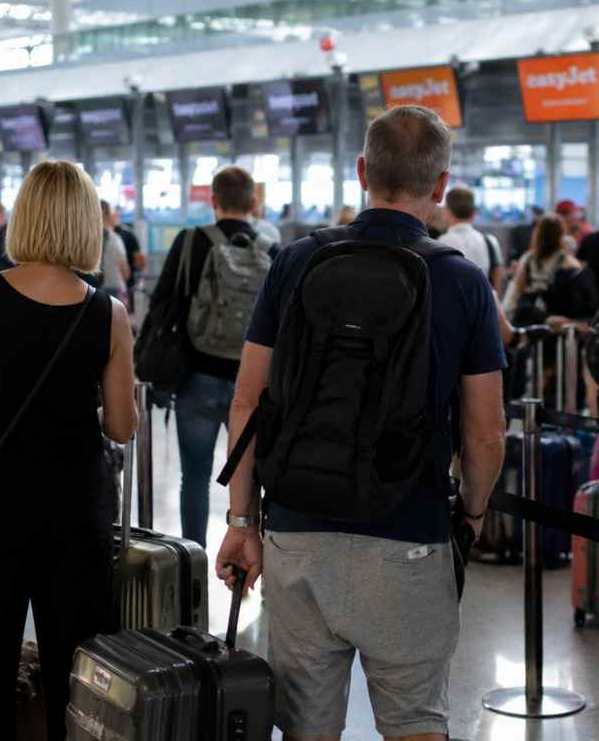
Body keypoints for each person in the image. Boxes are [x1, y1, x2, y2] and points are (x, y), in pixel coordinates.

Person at [214, 106, 505, 741]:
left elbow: (247, 403)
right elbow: (486, 432)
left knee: (306, 728)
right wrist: (473, 513)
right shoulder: (460, 281)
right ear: (440, 183)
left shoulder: (294, 262)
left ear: (361, 171)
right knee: (415, 725)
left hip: (296, 536)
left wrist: (242, 522)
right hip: (411, 536)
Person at [0, 160, 137, 740]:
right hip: (75, 504)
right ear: (84, 224)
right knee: (81, 668)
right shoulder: (108, 313)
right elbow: (122, 426)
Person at [150, 166, 278, 548]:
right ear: (254, 202)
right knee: (256, 478)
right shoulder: (271, 249)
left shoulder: (191, 241)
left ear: (213, 200)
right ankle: (255, 557)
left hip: (197, 378)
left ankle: (194, 562)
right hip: (254, 386)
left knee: (195, 476)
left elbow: (162, 303)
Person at [502, 213, 584, 325]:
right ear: (561, 235)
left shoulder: (528, 259)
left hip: (530, 319)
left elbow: (517, 289)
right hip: (557, 320)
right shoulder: (569, 262)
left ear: (538, 234)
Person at [438, 186, 504, 292]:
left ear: (447, 211)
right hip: (483, 304)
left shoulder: (440, 244)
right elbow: (497, 282)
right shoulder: (490, 242)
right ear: (474, 212)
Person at [109, 206, 146, 309]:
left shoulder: (96, 234)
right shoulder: (127, 234)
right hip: (123, 285)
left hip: (99, 284)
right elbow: (140, 262)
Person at [98, 199, 130, 302]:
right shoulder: (114, 239)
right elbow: (125, 272)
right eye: (113, 212)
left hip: (91, 290)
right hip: (114, 290)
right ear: (108, 214)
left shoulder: (86, 239)